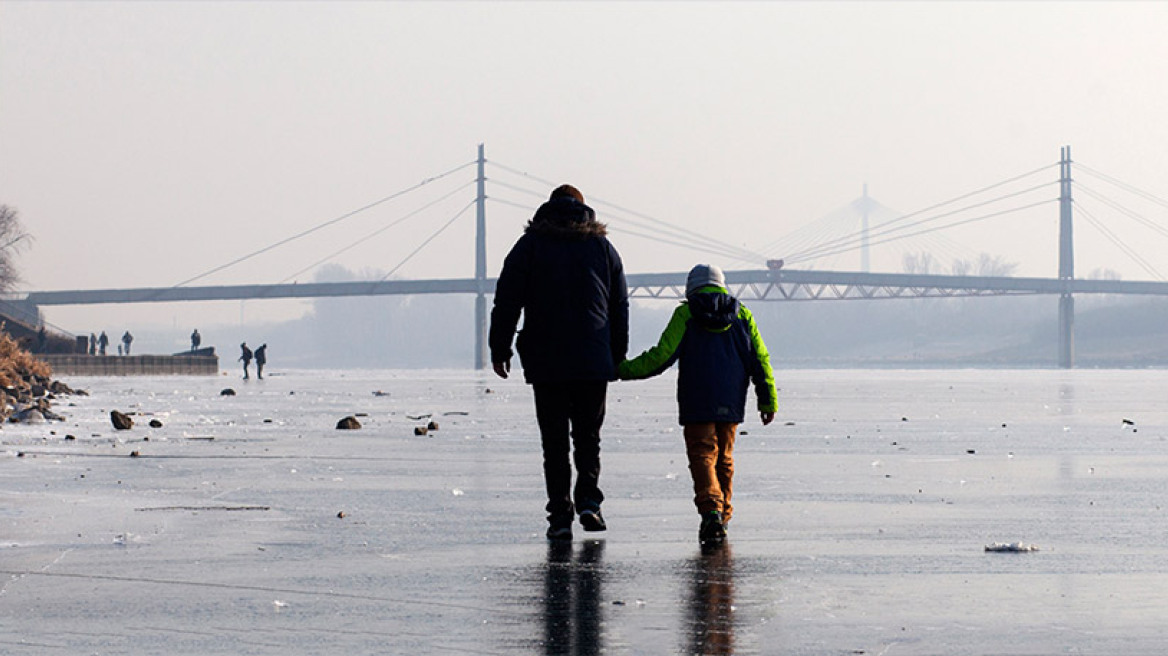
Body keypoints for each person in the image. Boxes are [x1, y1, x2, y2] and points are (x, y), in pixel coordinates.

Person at [489, 184, 629, 541]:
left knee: (554, 442)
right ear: (584, 210)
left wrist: (499, 348)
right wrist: (616, 355)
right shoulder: (603, 248)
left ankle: (559, 517)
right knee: (588, 437)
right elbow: (619, 307)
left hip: (546, 359)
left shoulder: (530, 246)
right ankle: (589, 504)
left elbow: (506, 301)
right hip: (592, 359)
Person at [618, 264, 777, 544]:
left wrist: (622, 369)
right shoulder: (743, 315)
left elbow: (661, 355)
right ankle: (723, 516)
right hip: (731, 399)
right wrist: (767, 399)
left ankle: (712, 512)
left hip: (697, 397)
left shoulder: (686, 313)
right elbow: (760, 359)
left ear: (691, 287)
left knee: (703, 453)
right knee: (724, 458)